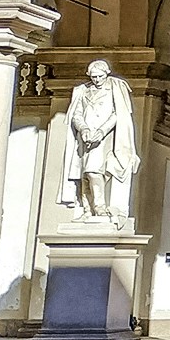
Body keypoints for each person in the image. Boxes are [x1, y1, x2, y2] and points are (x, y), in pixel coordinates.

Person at [60, 60, 139, 222]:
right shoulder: (83, 91)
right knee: (84, 174)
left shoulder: (115, 88)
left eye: (100, 76)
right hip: (85, 138)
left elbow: (119, 114)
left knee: (93, 170)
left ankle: (100, 207)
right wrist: (83, 129)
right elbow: (77, 114)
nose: (96, 79)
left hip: (105, 137)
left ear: (107, 73)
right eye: (93, 77)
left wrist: (102, 131)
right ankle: (87, 209)